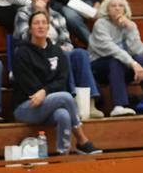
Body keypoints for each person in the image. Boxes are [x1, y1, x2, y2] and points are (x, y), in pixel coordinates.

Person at [13, 11, 101, 156]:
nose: (40, 26)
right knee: (65, 97)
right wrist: (45, 92)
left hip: (50, 103)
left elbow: (62, 79)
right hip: (26, 106)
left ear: (48, 27)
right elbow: (28, 85)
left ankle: (63, 155)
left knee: (63, 115)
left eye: (43, 22)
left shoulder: (56, 51)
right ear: (30, 29)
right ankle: (82, 140)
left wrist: (45, 91)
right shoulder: (22, 52)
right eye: (36, 23)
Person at [14, 0, 104, 119]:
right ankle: (72, 98)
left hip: (58, 52)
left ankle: (89, 102)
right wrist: (39, 13)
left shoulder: (57, 15)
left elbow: (67, 42)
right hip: (36, 54)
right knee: (62, 55)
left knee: (80, 53)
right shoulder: (23, 13)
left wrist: (62, 49)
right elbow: (25, 39)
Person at [89, 0, 143, 117]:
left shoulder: (129, 24)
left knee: (140, 58)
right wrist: (133, 63)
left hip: (124, 66)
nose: (117, 8)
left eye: (121, 6)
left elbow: (139, 50)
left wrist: (131, 29)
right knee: (116, 60)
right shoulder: (101, 24)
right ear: (107, 9)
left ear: (125, 9)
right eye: (113, 6)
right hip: (98, 67)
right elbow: (111, 49)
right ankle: (119, 106)